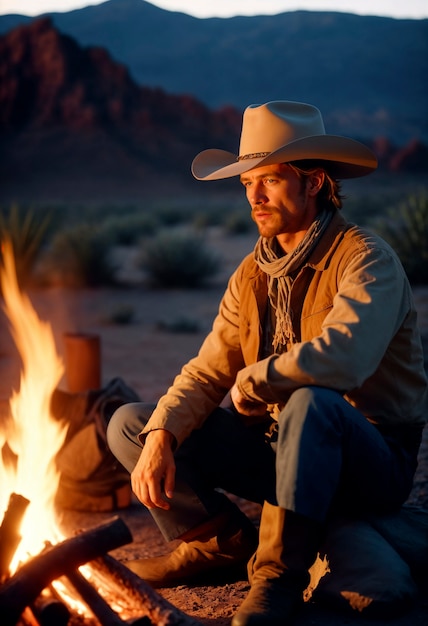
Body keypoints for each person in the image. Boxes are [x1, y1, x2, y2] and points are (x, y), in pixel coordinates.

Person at [107, 101, 427, 625]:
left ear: (315, 182)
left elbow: (342, 361)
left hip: (368, 454)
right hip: (281, 448)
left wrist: (253, 384)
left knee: (310, 402)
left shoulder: (366, 260)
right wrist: (163, 432)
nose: (253, 196)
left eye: (271, 181)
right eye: (246, 182)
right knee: (132, 425)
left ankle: (277, 576)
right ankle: (219, 546)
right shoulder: (251, 273)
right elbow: (208, 370)